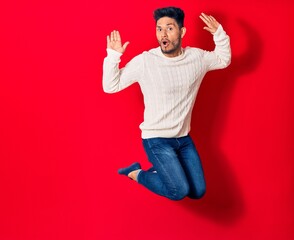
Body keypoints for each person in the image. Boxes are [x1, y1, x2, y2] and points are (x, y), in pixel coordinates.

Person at [102, 7, 231, 201]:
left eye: (169, 28)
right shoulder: (146, 61)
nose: (163, 34)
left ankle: (164, 169)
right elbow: (110, 86)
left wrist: (219, 34)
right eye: (159, 29)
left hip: (183, 139)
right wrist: (113, 56)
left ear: (182, 31)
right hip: (156, 140)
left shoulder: (196, 58)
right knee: (178, 191)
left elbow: (223, 59)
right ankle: (137, 173)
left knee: (197, 192)